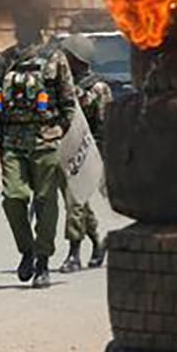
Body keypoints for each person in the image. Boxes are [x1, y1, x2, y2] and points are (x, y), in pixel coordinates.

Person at [0, 7, 77, 287]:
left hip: (46, 142)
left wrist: (65, 138)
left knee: (46, 203)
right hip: (13, 143)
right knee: (13, 198)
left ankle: (43, 260)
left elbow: (68, 104)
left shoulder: (55, 59)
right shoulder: (7, 59)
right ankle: (27, 250)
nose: (21, 27)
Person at [62, 36, 110, 269]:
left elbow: (103, 124)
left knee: (75, 201)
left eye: (67, 57)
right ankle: (97, 241)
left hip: (90, 150)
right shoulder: (64, 83)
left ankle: (74, 252)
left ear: (78, 60)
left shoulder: (98, 88)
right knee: (77, 200)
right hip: (68, 147)